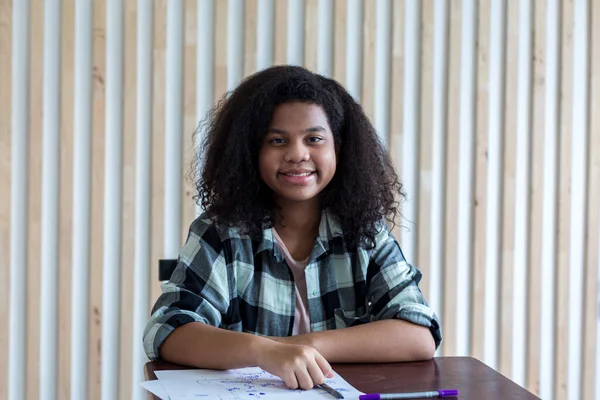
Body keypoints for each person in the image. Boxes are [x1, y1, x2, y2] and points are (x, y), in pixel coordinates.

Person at [143, 65, 441, 391]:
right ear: (251, 152)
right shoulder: (220, 233)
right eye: (277, 140)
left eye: (314, 139)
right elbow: (168, 330)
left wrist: (303, 346)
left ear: (337, 148)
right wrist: (263, 351)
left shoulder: (364, 231)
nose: (298, 154)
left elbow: (419, 333)